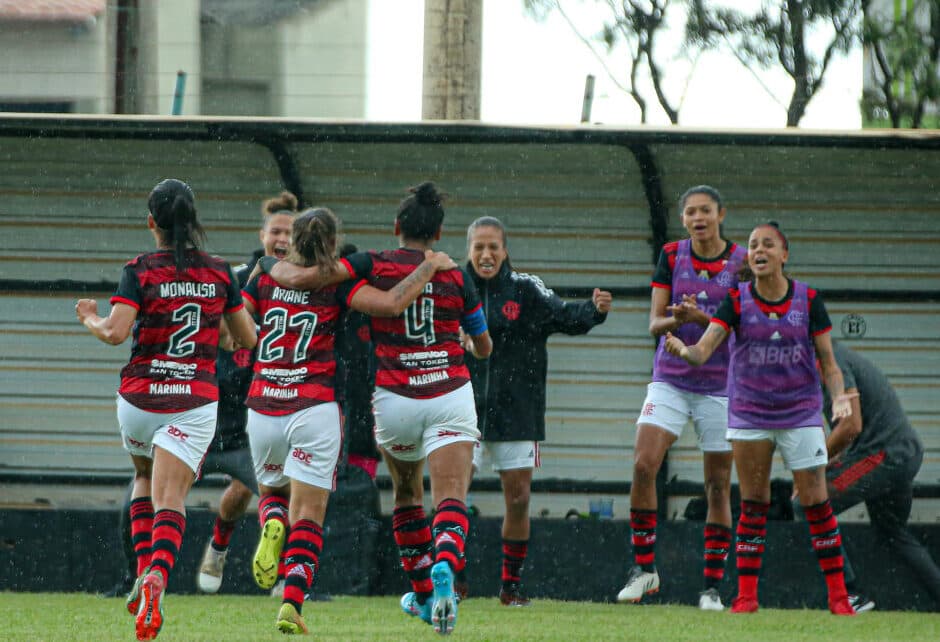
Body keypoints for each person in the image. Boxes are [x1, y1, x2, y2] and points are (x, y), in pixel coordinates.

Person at [263, 182, 492, 635]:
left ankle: (424, 592)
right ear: (440, 233)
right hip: (448, 391)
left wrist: (271, 267)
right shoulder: (455, 275)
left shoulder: (372, 262)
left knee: (407, 495)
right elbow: (483, 347)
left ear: (396, 227)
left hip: (396, 399)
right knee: (450, 497)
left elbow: (316, 277)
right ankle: (446, 559)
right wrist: (466, 338)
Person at [75, 179, 258, 640]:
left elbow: (115, 333)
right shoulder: (219, 272)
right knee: (171, 497)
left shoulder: (138, 269)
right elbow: (246, 338)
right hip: (191, 399)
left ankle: (142, 570)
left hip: (139, 399)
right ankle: (158, 574)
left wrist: (89, 318)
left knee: (142, 477)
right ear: (193, 221)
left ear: (151, 222)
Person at [664, 221, 857, 615]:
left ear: (784, 255)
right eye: (753, 245)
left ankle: (839, 598)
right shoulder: (735, 301)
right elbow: (704, 351)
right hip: (750, 413)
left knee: (817, 505)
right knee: (754, 505)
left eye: (768, 244)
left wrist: (838, 400)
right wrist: (684, 351)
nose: (758, 250)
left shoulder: (809, 299)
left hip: (801, 413)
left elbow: (830, 365)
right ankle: (746, 598)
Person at [463, 216, 611, 606]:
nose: (486, 253)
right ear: (469, 250)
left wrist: (593, 312)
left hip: (518, 411)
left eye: (493, 246)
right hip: (461, 411)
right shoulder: (455, 289)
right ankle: (454, 581)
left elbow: (564, 315)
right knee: (452, 496)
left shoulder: (525, 289)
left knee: (518, 500)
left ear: (505, 250)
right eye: (479, 246)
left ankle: (510, 589)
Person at [616, 185, 746, 610]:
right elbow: (654, 322)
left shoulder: (741, 262)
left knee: (716, 486)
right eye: (690, 212)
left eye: (705, 211)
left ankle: (711, 588)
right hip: (670, 378)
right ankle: (644, 570)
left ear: (721, 214)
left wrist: (702, 318)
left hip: (721, 385)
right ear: (683, 218)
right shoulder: (672, 255)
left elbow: (749, 325)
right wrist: (676, 317)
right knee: (642, 465)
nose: (698, 218)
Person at [194, 190, 299, 594]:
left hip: (258, 413)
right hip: (209, 410)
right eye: (277, 232)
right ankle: (139, 576)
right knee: (150, 486)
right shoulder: (237, 279)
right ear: (263, 234)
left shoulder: (304, 284)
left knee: (274, 493)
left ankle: (287, 577)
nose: (283, 240)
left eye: (290, 233)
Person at [794, 340, 940, 612]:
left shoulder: (832, 363)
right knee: (892, 531)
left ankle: (850, 594)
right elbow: (850, 432)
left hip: (884, 454)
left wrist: (812, 466)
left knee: (808, 502)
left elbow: (851, 425)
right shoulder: (831, 359)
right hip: (900, 451)